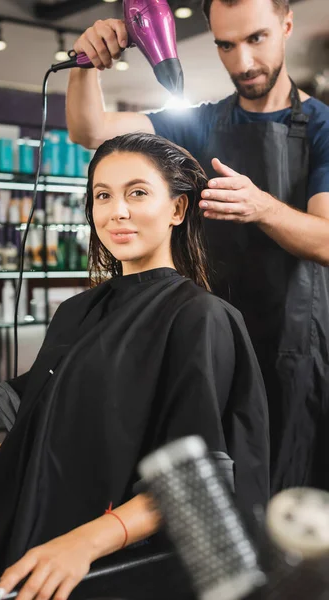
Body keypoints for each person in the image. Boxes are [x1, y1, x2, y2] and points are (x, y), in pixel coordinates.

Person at [0, 133, 269, 600]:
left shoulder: (199, 319)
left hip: (105, 549)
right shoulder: (75, 312)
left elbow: (193, 482)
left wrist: (81, 544)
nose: (117, 211)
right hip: (20, 517)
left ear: (177, 210)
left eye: (137, 193)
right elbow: (29, 443)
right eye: (103, 196)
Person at [66, 0, 329, 494]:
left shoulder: (322, 128)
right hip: (204, 341)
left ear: (286, 25)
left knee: (282, 495)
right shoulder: (198, 123)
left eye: (256, 39)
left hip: (292, 350)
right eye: (225, 45)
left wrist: (263, 207)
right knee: (206, 484)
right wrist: (85, 64)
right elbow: (89, 130)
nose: (243, 62)